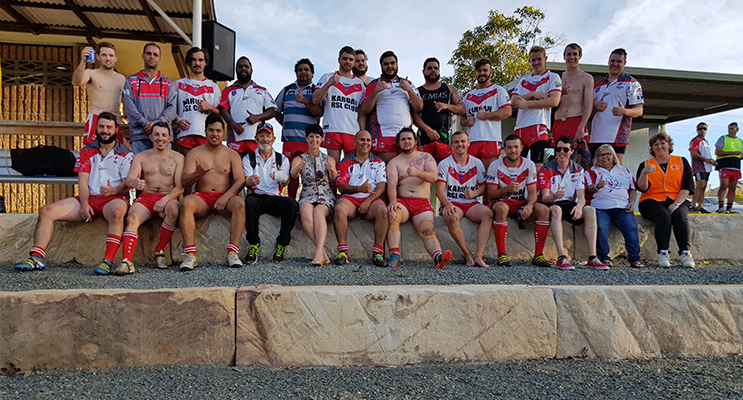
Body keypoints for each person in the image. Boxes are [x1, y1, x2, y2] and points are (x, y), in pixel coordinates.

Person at [15, 112, 132, 274]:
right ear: (96, 128)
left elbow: (127, 184)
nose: (105, 131)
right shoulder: (86, 151)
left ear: (116, 129)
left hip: (114, 198)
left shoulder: (125, 153)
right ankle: (37, 257)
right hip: (89, 198)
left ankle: (107, 261)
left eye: (109, 127)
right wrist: (84, 204)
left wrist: (114, 190)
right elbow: (83, 181)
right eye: (101, 127)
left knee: (118, 211)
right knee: (46, 211)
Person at [115, 122, 185, 274]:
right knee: (132, 218)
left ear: (169, 138)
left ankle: (159, 251)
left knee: (174, 210)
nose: (160, 138)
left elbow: (180, 186)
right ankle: (127, 262)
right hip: (146, 197)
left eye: (164, 135)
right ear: (151, 137)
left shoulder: (178, 158)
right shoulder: (141, 157)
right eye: (157, 135)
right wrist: (134, 182)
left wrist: (165, 199)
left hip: (168, 197)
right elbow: (129, 179)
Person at [178, 114, 246, 271]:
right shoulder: (195, 153)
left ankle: (232, 252)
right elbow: (184, 181)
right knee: (186, 203)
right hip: (202, 198)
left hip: (225, 197)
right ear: (205, 131)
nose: (215, 134)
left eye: (218, 131)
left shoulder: (231, 154)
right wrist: (198, 173)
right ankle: (190, 255)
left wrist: (225, 197)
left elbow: (240, 180)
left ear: (223, 132)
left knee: (240, 204)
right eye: (211, 130)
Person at [538, 136, 607, 270]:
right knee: (557, 209)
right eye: (558, 149)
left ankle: (592, 257)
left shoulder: (578, 169)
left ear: (571, 151)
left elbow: (581, 197)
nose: (561, 152)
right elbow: (544, 197)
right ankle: (561, 257)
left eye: (565, 149)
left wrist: (580, 206)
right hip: (552, 203)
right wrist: (554, 196)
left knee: (590, 210)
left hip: (569, 203)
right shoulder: (546, 169)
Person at [386, 128, 452, 269]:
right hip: (403, 201)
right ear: (398, 143)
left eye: (409, 138)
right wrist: (393, 201)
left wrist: (416, 172)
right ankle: (394, 255)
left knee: (427, 230)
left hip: (421, 201)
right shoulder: (394, 162)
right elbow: (392, 183)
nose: (407, 142)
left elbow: (433, 177)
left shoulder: (426, 157)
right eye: (403, 139)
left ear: (415, 141)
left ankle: (437, 257)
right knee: (392, 215)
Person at [487, 134, 551, 267]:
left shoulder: (529, 164)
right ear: (504, 149)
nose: (513, 150)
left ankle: (538, 255)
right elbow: (491, 194)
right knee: (501, 208)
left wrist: (530, 205)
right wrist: (507, 189)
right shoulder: (495, 165)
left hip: (520, 202)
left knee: (544, 210)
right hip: (502, 202)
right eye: (509, 147)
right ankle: (501, 255)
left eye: (516, 147)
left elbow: (533, 193)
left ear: (522, 148)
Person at [636, 132, 695, 268]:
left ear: (669, 145)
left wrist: (676, 204)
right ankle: (663, 252)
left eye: (663, 143)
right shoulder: (645, 164)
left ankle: (685, 253)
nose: (659, 146)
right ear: (652, 149)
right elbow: (642, 188)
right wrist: (644, 173)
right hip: (651, 200)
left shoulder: (681, 161)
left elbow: (687, 187)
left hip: (677, 198)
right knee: (664, 216)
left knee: (680, 215)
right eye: (655, 144)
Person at [243, 122, 298, 264]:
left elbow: (286, 182)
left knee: (292, 204)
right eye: (261, 135)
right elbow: (246, 181)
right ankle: (254, 244)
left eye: (268, 135)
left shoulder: (282, 159)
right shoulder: (248, 158)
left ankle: (281, 244)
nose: (265, 139)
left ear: (274, 139)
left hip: (275, 197)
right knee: (249, 202)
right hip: (257, 197)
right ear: (256, 138)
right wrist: (250, 182)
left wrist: (281, 177)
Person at [435, 131, 492, 267]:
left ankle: (479, 256)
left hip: (470, 203)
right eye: (456, 142)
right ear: (452, 145)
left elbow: (484, 186)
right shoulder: (444, 163)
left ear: (468, 143)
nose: (460, 144)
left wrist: (474, 193)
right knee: (451, 217)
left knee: (488, 214)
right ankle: (467, 254)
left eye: (463, 141)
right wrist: (447, 205)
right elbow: (439, 190)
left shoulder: (476, 163)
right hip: (453, 202)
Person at [333, 129, 388, 266]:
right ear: (355, 142)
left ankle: (377, 253)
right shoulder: (346, 161)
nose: (366, 143)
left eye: (368, 140)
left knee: (382, 210)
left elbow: (381, 186)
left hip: (371, 199)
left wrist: (368, 201)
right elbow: (341, 187)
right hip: (351, 198)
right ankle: (343, 252)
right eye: (362, 140)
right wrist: (359, 189)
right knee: (339, 209)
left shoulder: (378, 162)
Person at [585, 144, 644, 268]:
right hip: (600, 206)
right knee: (600, 227)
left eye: (608, 154)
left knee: (631, 228)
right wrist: (597, 187)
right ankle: (604, 258)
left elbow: (632, 189)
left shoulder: (624, 170)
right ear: (597, 158)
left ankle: (634, 259)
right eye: (601, 155)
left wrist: (632, 203)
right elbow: (588, 188)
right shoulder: (591, 171)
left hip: (622, 206)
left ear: (613, 156)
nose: (605, 157)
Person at [360, 51, 423, 163]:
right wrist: (376, 91)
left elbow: (419, 107)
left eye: (392, 63)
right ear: (381, 66)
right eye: (386, 64)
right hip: (383, 135)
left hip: (406, 136)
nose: (390, 66)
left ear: (397, 64)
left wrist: (408, 89)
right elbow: (365, 109)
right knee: (387, 175)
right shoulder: (374, 84)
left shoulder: (407, 83)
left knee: (407, 175)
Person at [276, 58, 323, 199]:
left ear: (312, 73)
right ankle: (291, 202)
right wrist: (285, 124)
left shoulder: (315, 91)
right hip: (289, 140)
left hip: (308, 142)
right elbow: (275, 110)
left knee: (310, 174)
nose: (303, 72)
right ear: (295, 72)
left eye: (307, 70)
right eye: (300, 69)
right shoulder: (287, 90)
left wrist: (305, 101)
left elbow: (320, 112)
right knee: (291, 173)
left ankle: (310, 201)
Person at [290, 124, 337, 265]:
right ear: (306, 138)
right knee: (304, 212)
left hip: (325, 195)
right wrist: (297, 168)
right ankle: (322, 253)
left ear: (321, 139)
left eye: (317, 137)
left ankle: (318, 254)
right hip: (307, 195)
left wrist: (332, 170)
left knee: (318, 212)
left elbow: (334, 176)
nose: (314, 140)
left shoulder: (328, 158)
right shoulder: (300, 158)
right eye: (311, 137)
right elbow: (292, 175)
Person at [510, 46, 562, 170]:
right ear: (529, 61)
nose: (536, 63)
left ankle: (538, 190)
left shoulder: (552, 77)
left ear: (545, 59)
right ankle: (517, 189)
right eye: (533, 60)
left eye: (539, 59)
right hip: (521, 126)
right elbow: (512, 102)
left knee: (537, 165)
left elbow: (554, 101)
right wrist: (532, 94)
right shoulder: (524, 80)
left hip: (539, 125)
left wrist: (527, 104)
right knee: (516, 164)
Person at [590, 48, 644, 165]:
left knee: (615, 172)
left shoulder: (631, 83)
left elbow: (639, 110)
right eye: (612, 61)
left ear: (624, 63)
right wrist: (595, 107)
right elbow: (588, 111)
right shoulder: (598, 84)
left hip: (617, 138)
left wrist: (624, 111)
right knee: (595, 173)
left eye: (619, 61)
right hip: (596, 137)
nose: (615, 64)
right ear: (608, 62)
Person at [312, 46, 365, 166]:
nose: (348, 62)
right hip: (333, 128)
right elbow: (315, 99)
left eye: (351, 59)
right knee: (332, 168)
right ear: (339, 60)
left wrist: (361, 131)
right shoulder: (327, 77)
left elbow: (361, 111)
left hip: (352, 131)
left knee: (351, 169)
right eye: (345, 58)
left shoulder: (359, 83)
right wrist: (330, 84)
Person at [460, 57, 512, 174]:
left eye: (485, 70)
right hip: (472, 140)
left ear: (490, 72)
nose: (482, 73)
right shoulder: (468, 96)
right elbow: (461, 119)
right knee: (472, 176)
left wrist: (486, 115)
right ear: (475, 73)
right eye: (479, 70)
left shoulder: (498, 90)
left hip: (490, 139)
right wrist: (467, 122)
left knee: (489, 175)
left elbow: (507, 111)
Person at [123, 43, 177, 154]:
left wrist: (156, 125)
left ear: (160, 59)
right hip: (139, 136)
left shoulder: (169, 83)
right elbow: (129, 108)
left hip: (163, 137)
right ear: (143, 56)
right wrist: (144, 123)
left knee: (163, 170)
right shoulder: (131, 81)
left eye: (155, 54)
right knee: (140, 170)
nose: (152, 57)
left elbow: (172, 109)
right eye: (149, 53)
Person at [219, 56, 277, 157]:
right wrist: (233, 124)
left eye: (246, 66)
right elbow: (223, 109)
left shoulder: (262, 90)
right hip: (235, 140)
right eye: (240, 66)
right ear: (236, 70)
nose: (243, 69)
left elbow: (272, 111)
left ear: (251, 70)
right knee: (235, 170)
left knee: (256, 170)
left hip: (257, 140)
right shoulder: (228, 90)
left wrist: (257, 117)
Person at [413, 57, 467, 162]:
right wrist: (427, 130)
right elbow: (414, 114)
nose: (433, 70)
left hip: (445, 140)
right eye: (429, 68)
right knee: (426, 172)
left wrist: (447, 106)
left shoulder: (449, 89)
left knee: (444, 173)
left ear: (439, 71)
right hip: (424, 140)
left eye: (435, 68)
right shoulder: (418, 91)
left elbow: (462, 109)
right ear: (423, 71)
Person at [71, 42, 125, 145]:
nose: (108, 58)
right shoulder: (91, 73)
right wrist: (83, 61)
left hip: (115, 119)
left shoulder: (121, 78)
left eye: (111, 55)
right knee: (93, 151)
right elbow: (76, 82)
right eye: (104, 55)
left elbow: (127, 100)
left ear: (116, 58)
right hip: (97, 117)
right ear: (98, 57)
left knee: (116, 152)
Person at [174, 47, 221, 156]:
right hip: (185, 134)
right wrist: (178, 120)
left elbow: (221, 113)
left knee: (205, 170)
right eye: (194, 60)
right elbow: (170, 109)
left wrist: (210, 107)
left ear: (205, 63)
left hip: (205, 135)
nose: (197, 63)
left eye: (201, 60)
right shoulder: (178, 84)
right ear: (189, 63)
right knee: (187, 170)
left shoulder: (213, 87)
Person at [554, 44, 593, 146]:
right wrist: (561, 92)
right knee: (559, 156)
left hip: (576, 121)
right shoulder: (557, 77)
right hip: (558, 121)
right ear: (564, 57)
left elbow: (588, 106)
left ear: (580, 56)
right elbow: (551, 100)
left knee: (578, 157)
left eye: (575, 54)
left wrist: (581, 127)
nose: (572, 58)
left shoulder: (587, 78)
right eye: (569, 54)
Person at [714, 122, 742, 213]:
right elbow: (718, 152)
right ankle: (721, 206)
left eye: (732, 129)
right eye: (729, 128)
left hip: (736, 166)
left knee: (733, 187)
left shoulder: (740, 141)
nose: (730, 130)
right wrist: (733, 153)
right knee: (724, 185)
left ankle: (730, 207)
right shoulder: (723, 138)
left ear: (737, 130)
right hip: (724, 165)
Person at [688, 122, 716, 212]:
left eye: (704, 129)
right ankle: (693, 205)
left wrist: (711, 161)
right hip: (699, 166)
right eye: (700, 129)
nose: (702, 130)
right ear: (697, 130)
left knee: (704, 187)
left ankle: (700, 205)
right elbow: (693, 153)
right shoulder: (695, 140)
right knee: (699, 186)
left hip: (707, 167)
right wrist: (705, 160)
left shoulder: (706, 141)